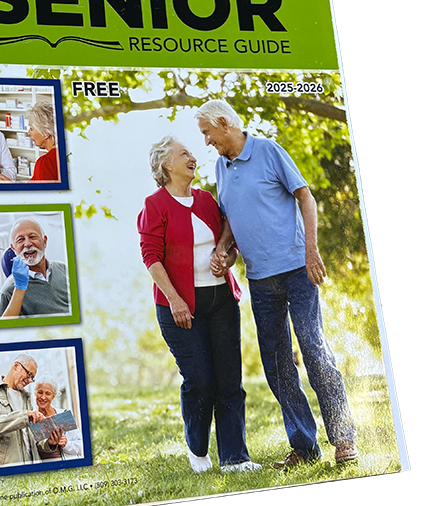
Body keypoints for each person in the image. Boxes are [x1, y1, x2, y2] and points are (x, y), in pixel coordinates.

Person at [196, 99, 358, 469]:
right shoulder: (222, 167)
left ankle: (344, 437)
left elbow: (306, 196)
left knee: (314, 350)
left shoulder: (268, 150)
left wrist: (311, 251)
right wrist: (223, 248)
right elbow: (232, 219)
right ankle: (304, 446)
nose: (206, 142)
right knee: (277, 363)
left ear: (224, 123)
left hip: (297, 269)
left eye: (207, 132)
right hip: (260, 280)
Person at [137, 136, 260, 474]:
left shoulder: (206, 200)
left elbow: (229, 243)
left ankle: (236, 458)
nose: (193, 157)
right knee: (200, 381)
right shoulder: (155, 205)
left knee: (229, 380)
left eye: (191, 153)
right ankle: (198, 450)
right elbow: (151, 257)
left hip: (221, 300)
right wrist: (175, 299)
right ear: (167, 165)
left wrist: (228, 258)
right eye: (184, 154)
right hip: (178, 307)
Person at [0, 353, 62, 467]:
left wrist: (49, 443)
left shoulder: (26, 398)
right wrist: (24, 416)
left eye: (32, 378)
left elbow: (33, 438)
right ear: (16, 366)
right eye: (29, 374)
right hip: (2, 473)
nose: (30, 380)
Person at [0, 218, 71, 318]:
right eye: (20, 240)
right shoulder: (7, 293)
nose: (27, 244)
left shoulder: (64, 269)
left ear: (45, 241)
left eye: (33, 237)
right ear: (13, 249)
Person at [33, 378, 83, 461]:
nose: (43, 397)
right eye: (40, 392)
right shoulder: (32, 419)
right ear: (36, 394)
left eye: (48, 393)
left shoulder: (63, 416)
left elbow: (81, 446)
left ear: (53, 396)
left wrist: (66, 444)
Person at [27, 100, 60, 182]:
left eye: (31, 129)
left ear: (46, 132)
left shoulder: (45, 162)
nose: (28, 133)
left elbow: (40, 194)